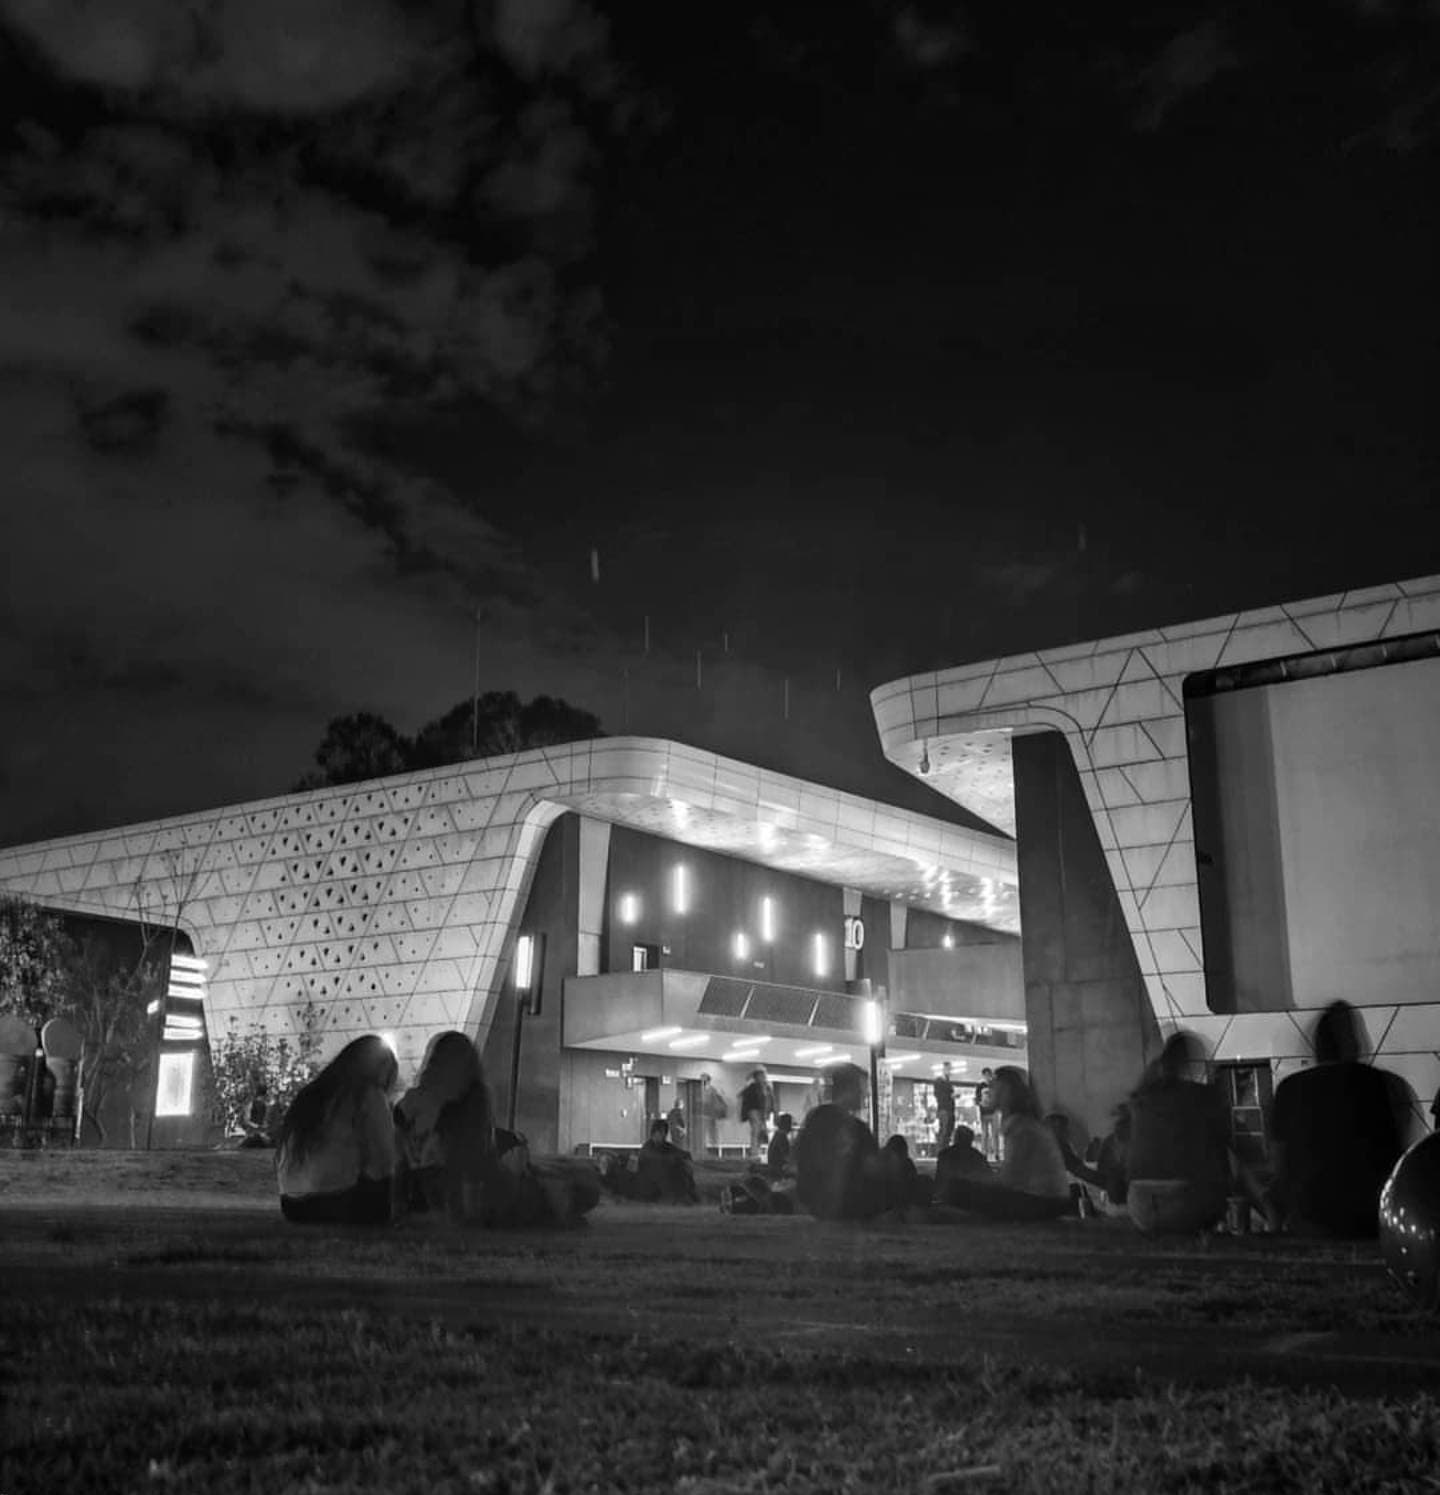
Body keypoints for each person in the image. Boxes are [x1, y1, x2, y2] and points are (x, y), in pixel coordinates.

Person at [1268, 1000, 1409, 1237]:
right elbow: (1398, 1159)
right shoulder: (1381, 1084)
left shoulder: (1289, 1090)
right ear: (1353, 1041)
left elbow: (1278, 1165)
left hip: (1310, 1218)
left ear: (1317, 1045)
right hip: (1369, 1219)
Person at [275, 1035, 400, 1225]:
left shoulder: (310, 1094)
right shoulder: (367, 1094)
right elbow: (384, 1159)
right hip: (338, 1203)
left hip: (292, 1206)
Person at [1124, 1032, 1238, 1235]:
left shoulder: (1141, 1099)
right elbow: (1227, 1155)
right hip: (1187, 1204)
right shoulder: (1204, 1096)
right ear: (1194, 1063)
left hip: (1139, 1206)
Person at [940, 1067, 1072, 1221]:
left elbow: (1010, 1179)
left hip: (1043, 1201)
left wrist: (977, 1178)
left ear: (1006, 1091)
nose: (989, 1092)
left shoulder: (1020, 1127)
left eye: (994, 1087)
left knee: (955, 1189)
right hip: (1052, 1198)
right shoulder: (1026, 1123)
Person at [393, 1030, 498, 1220]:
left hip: (422, 1181)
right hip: (456, 1184)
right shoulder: (476, 1099)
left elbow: (395, 1130)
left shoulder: (417, 1098)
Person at [794, 1062, 885, 1221]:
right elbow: (870, 1169)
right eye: (862, 1089)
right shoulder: (854, 1128)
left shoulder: (816, 1119)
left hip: (816, 1206)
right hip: (847, 1210)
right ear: (850, 1089)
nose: (865, 1095)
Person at [633, 1117, 699, 1204]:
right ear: (654, 1133)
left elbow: (677, 1152)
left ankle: (688, 1195)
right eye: (660, 1133)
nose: (662, 1136)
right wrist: (673, 1159)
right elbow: (655, 1160)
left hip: (663, 1183)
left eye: (664, 1133)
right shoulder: (647, 1148)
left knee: (683, 1167)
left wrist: (685, 1156)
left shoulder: (665, 1146)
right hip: (651, 1185)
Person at [934, 1124, 992, 1202]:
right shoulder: (978, 1156)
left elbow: (939, 1180)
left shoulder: (944, 1155)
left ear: (955, 1138)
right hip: (973, 1199)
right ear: (970, 1140)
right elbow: (988, 1177)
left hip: (948, 1197)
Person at [739, 1066, 775, 1159]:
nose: (763, 1077)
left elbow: (770, 1100)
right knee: (756, 1130)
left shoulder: (767, 1087)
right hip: (753, 1110)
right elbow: (742, 1095)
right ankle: (754, 1152)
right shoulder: (752, 1087)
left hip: (763, 1111)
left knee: (760, 1131)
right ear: (756, 1076)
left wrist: (770, 1111)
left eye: (763, 1075)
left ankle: (756, 1151)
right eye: (760, 1075)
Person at [975, 1068, 1000, 1162]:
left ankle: (997, 1153)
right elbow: (977, 1098)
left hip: (993, 1112)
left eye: (989, 1075)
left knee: (995, 1134)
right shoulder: (980, 1086)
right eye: (986, 1075)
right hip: (984, 1112)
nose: (987, 1077)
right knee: (985, 1134)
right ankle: (984, 1154)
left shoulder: (995, 1085)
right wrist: (980, 1103)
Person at [700, 1073, 727, 1155]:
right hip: (703, 1114)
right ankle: (703, 1149)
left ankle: (712, 1150)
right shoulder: (700, 1089)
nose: (702, 1081)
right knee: (703, 1133)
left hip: (709, 1114)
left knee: (712, 1133)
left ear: (708, 1080)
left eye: (703, 1079)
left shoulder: (712, 1090)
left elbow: (714, 1102)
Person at [933, 1063, 956, 1153]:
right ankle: (941, 1151)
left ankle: (945, 1151)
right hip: (944, 1109)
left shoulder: (948, 1082)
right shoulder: (939, 1081)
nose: (949, 1071)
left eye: (950, 1069)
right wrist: (950, 1096)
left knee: (948, 1131)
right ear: (943, 1069)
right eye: (948, 1069)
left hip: (950, 1109)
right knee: (944, 1131)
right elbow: (938, 1095)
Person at [766, 1112, 794, 1177]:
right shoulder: (782, 1136)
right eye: (790, 1123)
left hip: (774, 1168)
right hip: (778, 1170)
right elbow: (786, 1157)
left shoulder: (777, 1135)